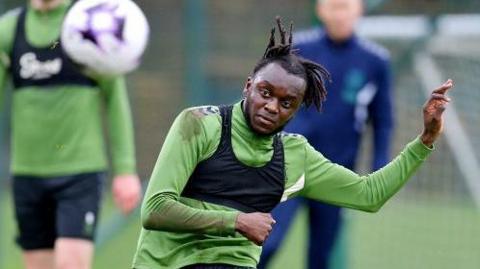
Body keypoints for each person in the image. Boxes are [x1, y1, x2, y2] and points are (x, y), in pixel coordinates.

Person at [132, 17, 452, 269]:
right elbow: (156, 209)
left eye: (286, 102)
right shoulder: (199, 124)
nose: (272, 106)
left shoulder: (294, 155)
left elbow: (368, 194)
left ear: (297, 109)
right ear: (248, 86)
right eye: (265, 92)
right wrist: (238, 221)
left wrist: (425, 139)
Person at [0, 0, 142, 268]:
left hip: (79, 174)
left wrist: (125, 169)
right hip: (27, 176)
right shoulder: (10, 30)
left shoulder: (86, 25)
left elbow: (115, 99)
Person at [258, 0, 393, 268]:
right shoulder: (299, 49)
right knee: (266, 242)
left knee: (320, 257)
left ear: (358, 10)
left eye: (346, 7)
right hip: (288, 166)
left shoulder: (375, 61)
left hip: (336, 173)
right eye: (334, 6)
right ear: (321, 10)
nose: (339, 14)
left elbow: (383, 120)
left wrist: (380, 166)